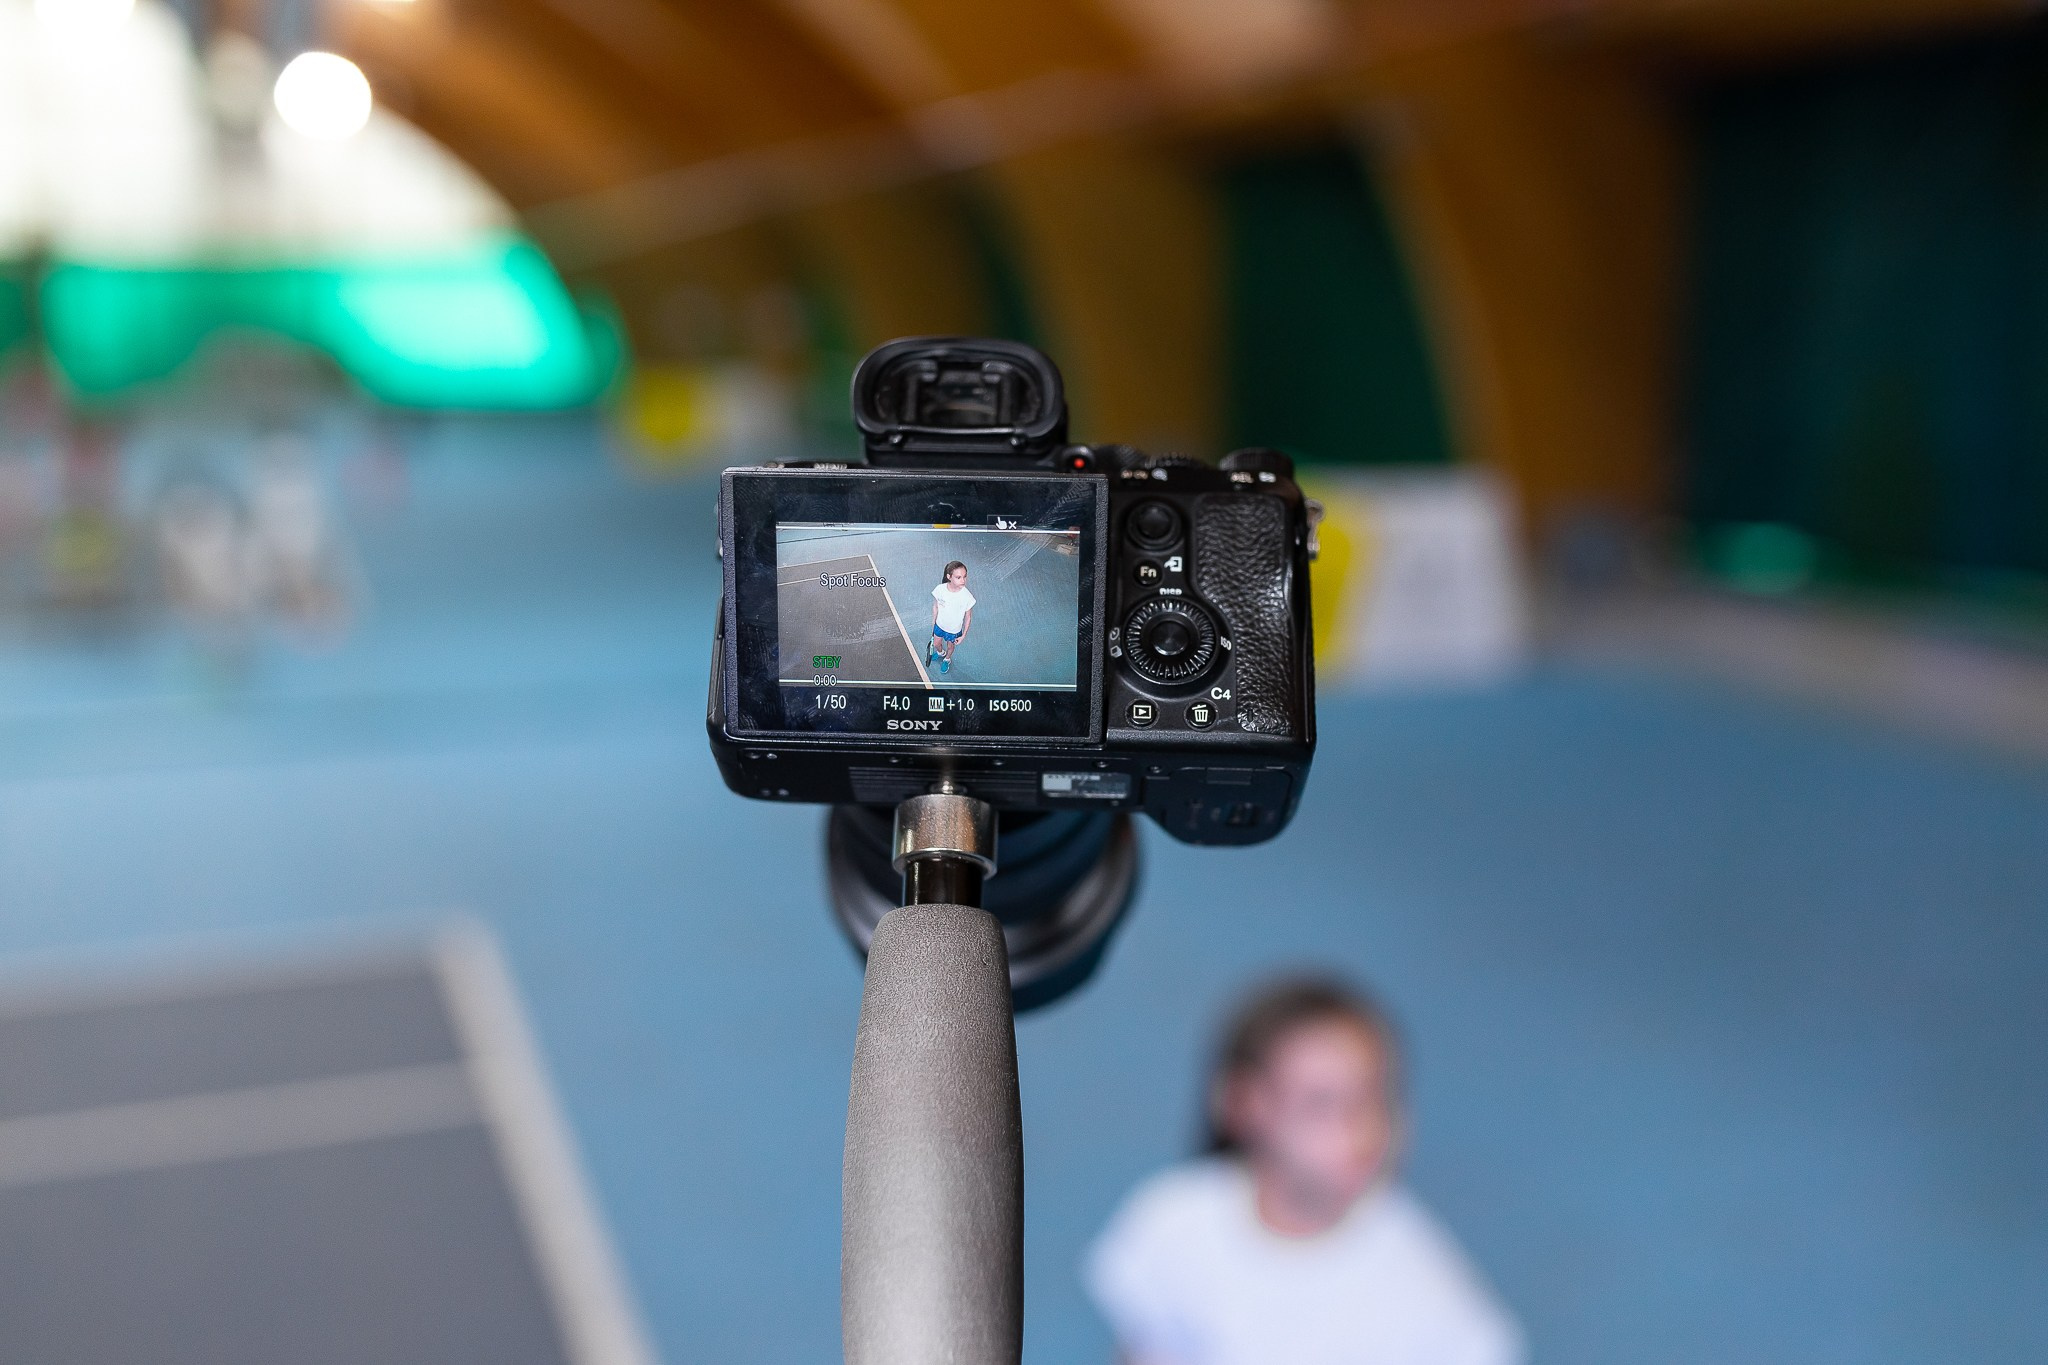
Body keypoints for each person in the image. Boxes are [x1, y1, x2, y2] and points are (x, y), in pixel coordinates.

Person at [1085, 977, 1524, 1365]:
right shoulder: (1172, 1221)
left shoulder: (1433, 1302)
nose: (1361, 1131)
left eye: (1374, 1098)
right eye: (1323, 1105)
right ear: (1245, 1104)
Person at [927, 559, 975, 676]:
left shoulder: (967, 596)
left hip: (954, 630)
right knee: (937, 644)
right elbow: (936, 606)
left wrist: (963, 635)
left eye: (964, 577)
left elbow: (968, 617)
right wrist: (934, 622)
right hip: (939, 625)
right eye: (958, 577)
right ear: (949, 577)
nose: (963, 580)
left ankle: (947, 659)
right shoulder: (940, 589)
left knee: (950, 647)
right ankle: (940, 653)